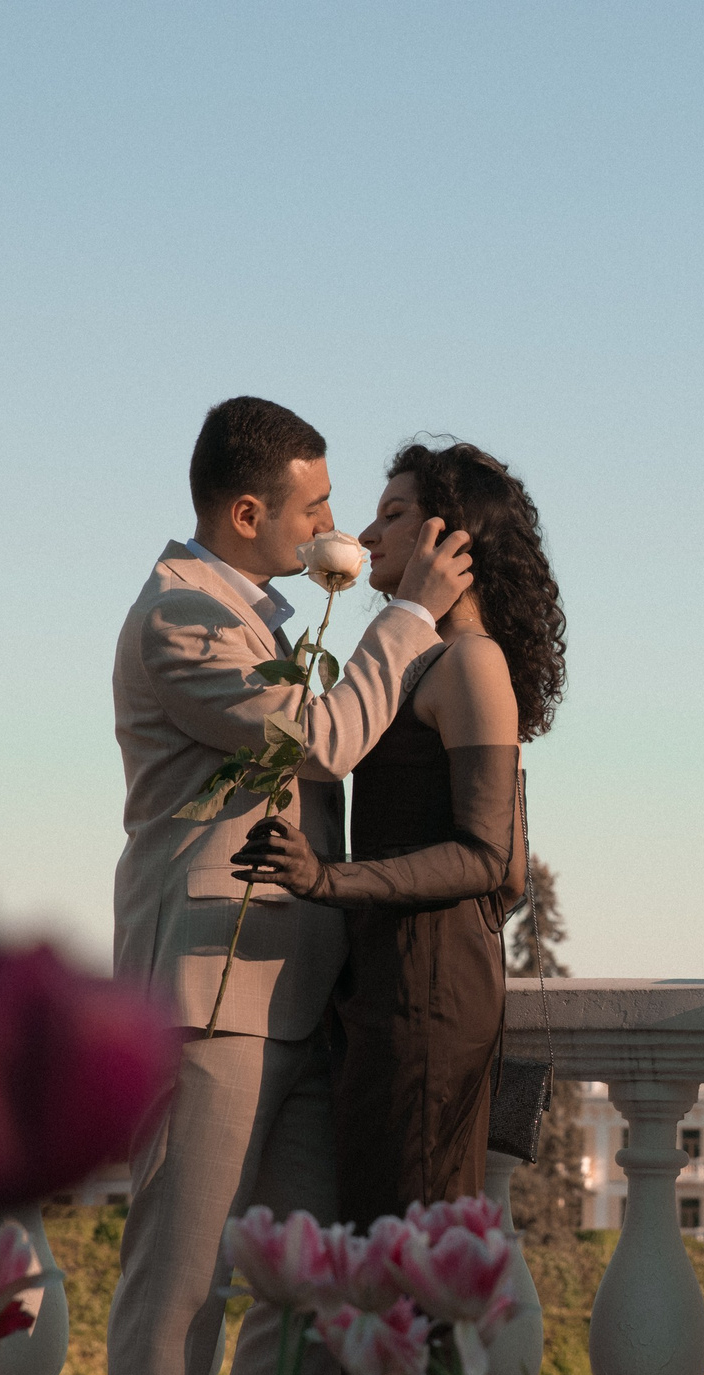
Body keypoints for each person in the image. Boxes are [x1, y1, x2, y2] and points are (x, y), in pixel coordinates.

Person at [106, 398, 475, 1375]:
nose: (338, 530)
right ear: (249, 513)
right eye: (318, 510)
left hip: (307, 1001)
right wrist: (410, 613)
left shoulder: (266, 616)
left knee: (310, 1300)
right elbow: (317, 738)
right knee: (176, 1301)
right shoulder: (179, 619)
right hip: (208, 995)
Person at [233, 438, 564, 1250]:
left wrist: (329, 879)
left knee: (405, 1263)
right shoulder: (424, 662)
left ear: (454, 540)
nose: (367, 535)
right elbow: (510, 873)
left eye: (395, 515)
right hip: (394, 988)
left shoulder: (472, 662)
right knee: (380, 1252)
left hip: (426, 993)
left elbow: (493, 861)